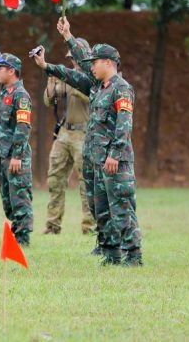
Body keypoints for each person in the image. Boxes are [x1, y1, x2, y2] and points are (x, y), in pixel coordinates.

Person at [31, 17, 143, 266]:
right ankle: (111, 253)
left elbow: (125, 125)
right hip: (95, 159)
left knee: (121, 207)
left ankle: (133, 254)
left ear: (107, 63)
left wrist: (115, 154)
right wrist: (46, 65)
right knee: (99, 207)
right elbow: (71, 74)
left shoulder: (120, 89)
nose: (89, 66)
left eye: (94, 63)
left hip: (114, 161)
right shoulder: (97, 87)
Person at [0, 18, 33, 247]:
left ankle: (22, 239)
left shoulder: (20, 95)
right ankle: (15, 234)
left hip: (15, 156)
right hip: (4, 155)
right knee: (7, 200)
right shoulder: (6, 91)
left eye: (0, 69)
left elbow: (23, 128)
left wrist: (17, 156)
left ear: (11, 71)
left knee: (19, 197)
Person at [43, 51, 95, 235]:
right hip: (65, 132)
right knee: (55, 179)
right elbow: (48, 101)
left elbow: (93, 98)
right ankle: (52, 225)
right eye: (70, 59)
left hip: (84, 133)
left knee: (87, 182)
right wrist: (51, 84)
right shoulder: (67, 76)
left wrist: (75, 85)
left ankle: (90, 226)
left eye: (75, 58)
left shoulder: (93, 78)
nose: (73, 61)